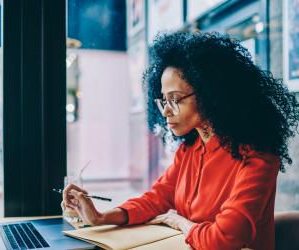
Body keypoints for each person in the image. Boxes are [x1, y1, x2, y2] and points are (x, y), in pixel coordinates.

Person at [62, 32, 299, 250]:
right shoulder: (190, 149)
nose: (166, 111)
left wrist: (179, 222)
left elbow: (225, 239)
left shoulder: (256, 156)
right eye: (163, 100)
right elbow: (156, 199)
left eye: (175, 99)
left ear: (212, 94)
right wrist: (100, 217)